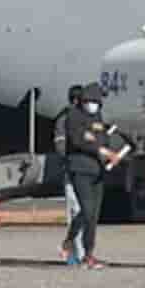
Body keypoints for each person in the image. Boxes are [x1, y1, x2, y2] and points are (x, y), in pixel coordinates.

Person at [63, 84, 116, 270]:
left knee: (92, 215)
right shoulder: (73, 116)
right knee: (87, 210)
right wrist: (101, 149)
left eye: (96, 102)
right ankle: (78, 247)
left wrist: (110, 153)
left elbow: (101, 138)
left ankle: (86, 252)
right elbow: (79, 140)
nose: (92, 105)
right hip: (80, 170)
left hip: (98, 170)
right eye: (89, 101)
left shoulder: (98, 117)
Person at [53, 85, 85, 265]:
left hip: (85, 171)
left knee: (84, 212)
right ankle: (75, 253)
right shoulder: (64, 119)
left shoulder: (86, 119)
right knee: (75, 211)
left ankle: (80, 251)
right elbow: (60, 146)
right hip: (72, 171)